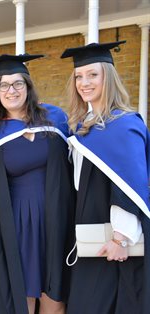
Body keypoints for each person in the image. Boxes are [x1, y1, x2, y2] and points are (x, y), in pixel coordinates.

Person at [0, 54, 74, 314]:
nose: (11, 90)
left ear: (28, 86)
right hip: (15, 221)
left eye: (17, 84)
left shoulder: (55, 118)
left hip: (56, 217)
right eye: (4, 85)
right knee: (21, 296)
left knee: (55, 296)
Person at [61, 41, 150, 314]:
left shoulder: (123, 124)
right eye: (79, 76)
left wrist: (121, 238)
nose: (84, 82)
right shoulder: (83, 123)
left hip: (113, 238)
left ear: (107, 77)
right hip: (88, 231)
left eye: (92, 75)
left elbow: (130, 184)